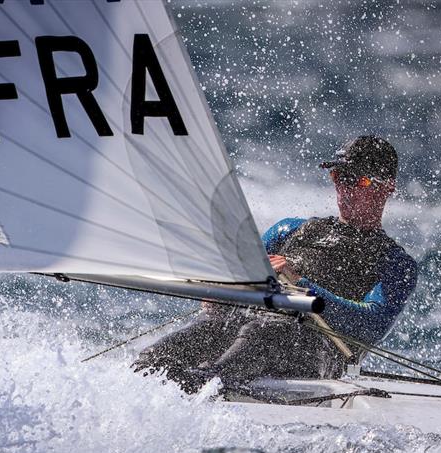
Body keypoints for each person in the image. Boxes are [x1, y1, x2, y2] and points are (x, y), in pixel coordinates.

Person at [134, 135, 418, 392]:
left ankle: (205, 385)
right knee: (156, 359)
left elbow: (370, 325)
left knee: (264, 331)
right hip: (244, 327)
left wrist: (301, 284)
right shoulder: (289, 230)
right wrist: (219, 290)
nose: (346, 188)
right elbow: (231, 280)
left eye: (360, 181)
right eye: (339, 176)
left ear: (388, 187)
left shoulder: (395, 262)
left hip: (316, 348)